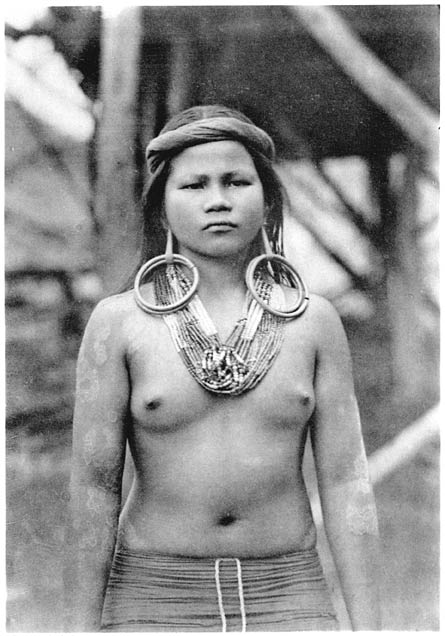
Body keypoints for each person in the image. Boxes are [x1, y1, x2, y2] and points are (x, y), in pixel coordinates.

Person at [65, 105, 381, 632]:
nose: (218, 200)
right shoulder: (119, 323)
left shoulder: (314, 322)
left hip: (289, 595)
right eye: (194, 185)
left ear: (268, 198)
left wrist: (372, 630)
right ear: (161, 208)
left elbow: (347, 482)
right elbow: (94, 487)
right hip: (153, 595)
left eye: (236, 181)